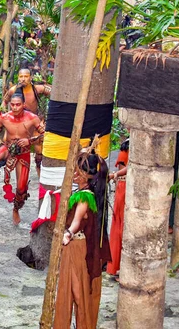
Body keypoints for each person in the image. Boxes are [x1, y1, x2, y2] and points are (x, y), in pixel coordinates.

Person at [54, 141, 111, 329]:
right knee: (71, 289)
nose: (75, 174)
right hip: (74, 247)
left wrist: (67, 235)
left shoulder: (85, 196)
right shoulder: (82, 192)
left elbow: (77, 221)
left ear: (86, 175)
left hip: (77, 248)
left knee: (78, 291)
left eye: (78, 171)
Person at [0, 88, 44, 225]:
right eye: (12, 104)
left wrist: (30, 140)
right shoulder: (4, 117)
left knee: (21, 188)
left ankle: (16, 209)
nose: (14, 107)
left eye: (18, 104)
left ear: (24, 105)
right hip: (8, 147)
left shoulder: (32, 118)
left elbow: (46, 134)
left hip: (23, 152)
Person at [2, 66, 51, 175]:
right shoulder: (13, 90)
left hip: (33, 124)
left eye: (26, 76)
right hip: (17, 124)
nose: (23, 79)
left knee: (39, 150)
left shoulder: (36, 89)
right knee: (7, 142)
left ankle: (39, 172)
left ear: (30, 77)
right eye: (21, 76)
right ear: (18, 78)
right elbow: (4, 102)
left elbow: (51, 92)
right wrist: (4, 115)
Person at [106, 138, 129, 278]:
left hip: (125, 186)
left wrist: (115, 175)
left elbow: (131, 166)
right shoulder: (129, 140)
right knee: (117, 223)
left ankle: (121, 267)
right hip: (120, 186)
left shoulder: (137, 141)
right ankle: (114, 266)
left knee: (122, 225)